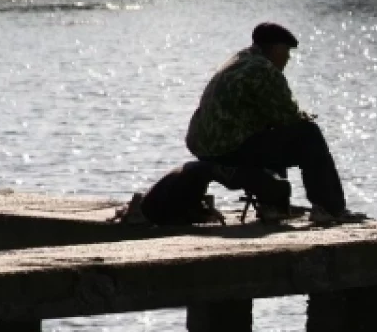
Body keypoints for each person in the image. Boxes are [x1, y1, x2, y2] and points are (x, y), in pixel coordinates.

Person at [141, 22, 357, 225]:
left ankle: (272, 206)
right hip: (229, 148)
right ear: (275, 48)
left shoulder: (238, 60)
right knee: (308, 134)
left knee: (271, 132)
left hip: (204, 145)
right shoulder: (263, 69)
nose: (288, 58)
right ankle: (330, 208)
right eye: (286, 52)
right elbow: (287, 116)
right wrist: (305, 117)